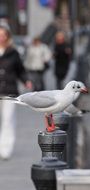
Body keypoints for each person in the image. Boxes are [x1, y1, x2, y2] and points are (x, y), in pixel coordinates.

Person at [0, 25, 32, 159]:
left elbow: (21, 70)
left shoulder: (13, 52)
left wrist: (26, 81)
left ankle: (5, 150)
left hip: (9, 91)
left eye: (3, 35)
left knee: (8, 120)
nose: (1, 37)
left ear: (8, 37)